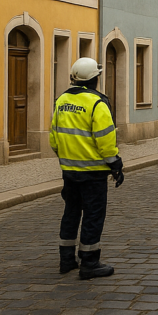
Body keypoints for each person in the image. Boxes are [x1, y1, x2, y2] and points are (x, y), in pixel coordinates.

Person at [50, 57, 125, 280]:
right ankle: (89, 262)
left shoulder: (61, 100)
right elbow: (105, 139)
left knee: (71, 212)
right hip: (93, 172)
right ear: (95, 78)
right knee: (93, 215)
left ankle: (66, 259)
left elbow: (54, 138)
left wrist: (66, 158)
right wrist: (115, 165)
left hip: (69, 171)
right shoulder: (97, 103)